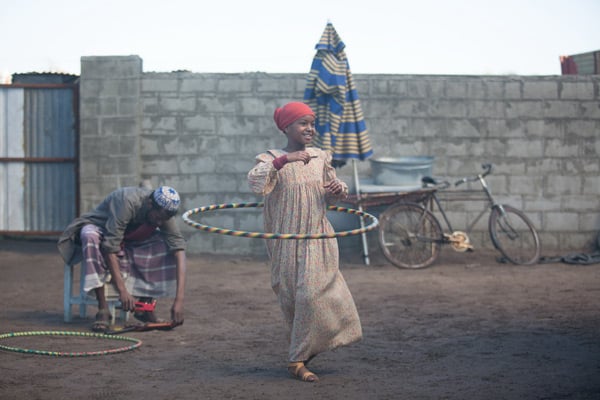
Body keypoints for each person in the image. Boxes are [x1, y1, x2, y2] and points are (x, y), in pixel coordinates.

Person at [247, 101, 362, 382]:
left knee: (312, 295)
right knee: (292, 300)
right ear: (286, 127)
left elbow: (334, 195)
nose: (310, 128)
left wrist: (337, 189)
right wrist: (283, 161)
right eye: (303, 123)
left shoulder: (320, 157)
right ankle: (302, 353)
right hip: (285, 240)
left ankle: (296, 360)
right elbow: (256, 184)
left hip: (317, 236)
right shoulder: (270, 158)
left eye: (312, 123)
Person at [58, 185, 187, 332]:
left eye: (162, 220)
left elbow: (179, 249)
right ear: (150, 204)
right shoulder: (127, 201)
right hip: (100, 228)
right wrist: (123, 291)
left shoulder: (163, 211)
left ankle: (145, 308)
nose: (159, 223)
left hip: (127, 235)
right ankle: (103, 308)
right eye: (157, 218)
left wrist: (179, 300)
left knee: (164, 244)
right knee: (90, 236)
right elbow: (110, 246)